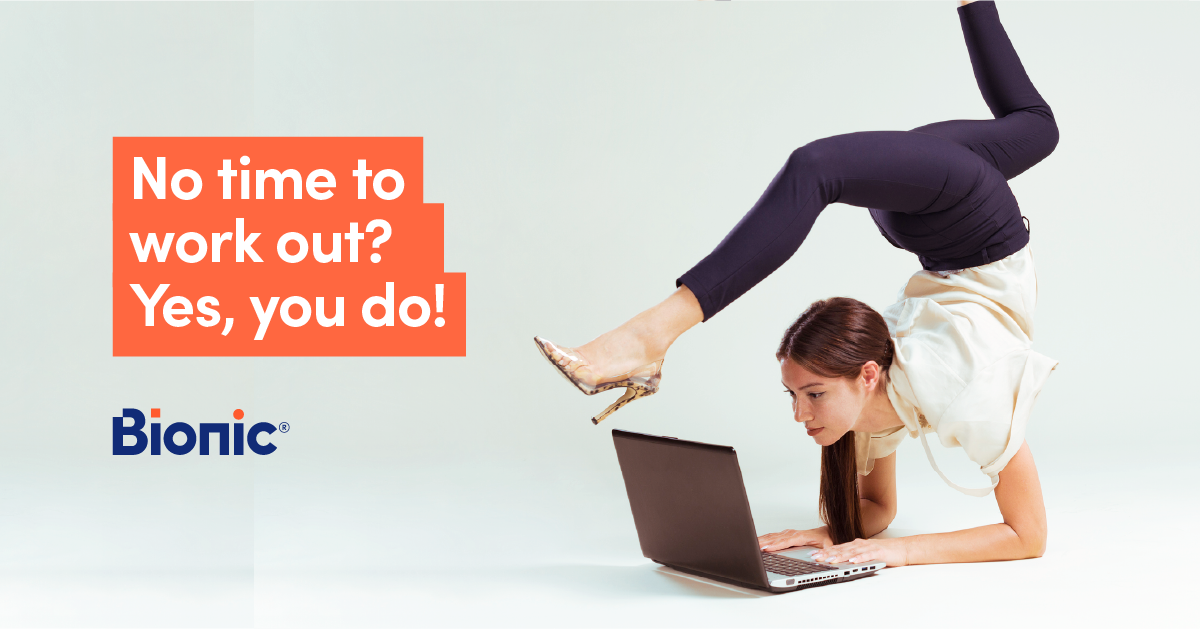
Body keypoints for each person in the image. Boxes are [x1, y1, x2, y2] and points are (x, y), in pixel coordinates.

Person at [535, 0, 1057, 567]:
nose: (801, 413)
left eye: (809, 394)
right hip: (973, 221)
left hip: (940, 224)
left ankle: (652, 334)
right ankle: (648, 340)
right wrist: (854, 537)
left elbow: (895, 513)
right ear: (867, 375)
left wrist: (853, 539)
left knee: (1035, 129)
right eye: (802, 394)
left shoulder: (874, 403)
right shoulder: (963, 390)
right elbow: (1026, 536)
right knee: (819, 168)